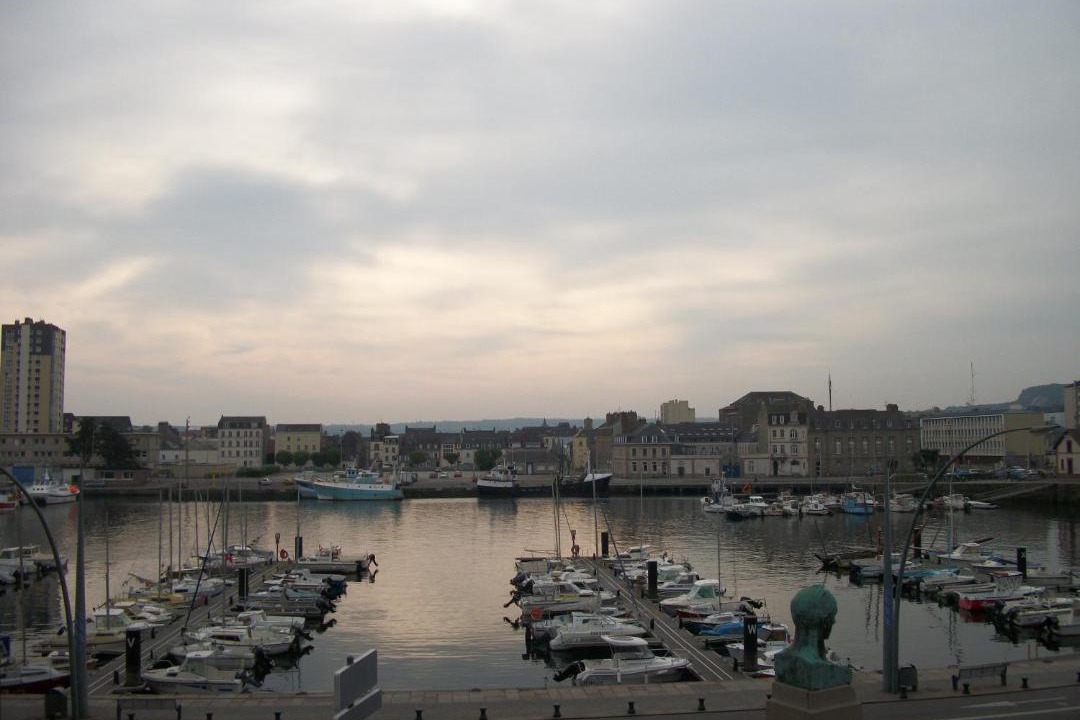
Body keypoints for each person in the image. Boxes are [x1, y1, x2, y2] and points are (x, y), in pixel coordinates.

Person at [774, 585, 852, 690]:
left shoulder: (782, 658)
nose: (833, 621)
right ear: (823, 621)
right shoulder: (819, 668)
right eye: (831, 617)